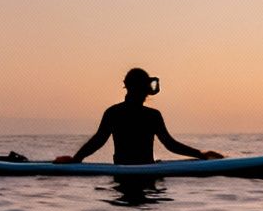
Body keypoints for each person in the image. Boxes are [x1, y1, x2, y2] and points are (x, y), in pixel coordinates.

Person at [55, 68, 223, 165]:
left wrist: (77, 159)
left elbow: (98, 141)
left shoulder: (113, 112)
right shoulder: (151, 115)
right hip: (147, 173)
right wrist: (201, 154)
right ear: (142, 89)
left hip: (121, 174)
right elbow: (170, 145)